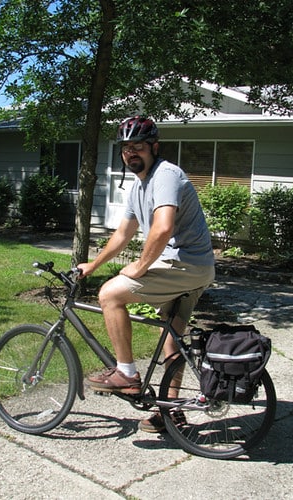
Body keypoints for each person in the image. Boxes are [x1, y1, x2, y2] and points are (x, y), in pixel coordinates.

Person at [77, 115, 215, 433]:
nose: (131, 153)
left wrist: (140, 266)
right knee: (172, 338)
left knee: (109, 295)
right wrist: (93, 265)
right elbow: (123, 233)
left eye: (138, 146)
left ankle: (126, 374)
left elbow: (163, 227)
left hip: (185, 264)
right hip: (195, 267)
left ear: (154, 147)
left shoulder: (166, 175)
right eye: (125, 148)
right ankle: (171, 411)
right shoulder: (139, 185)